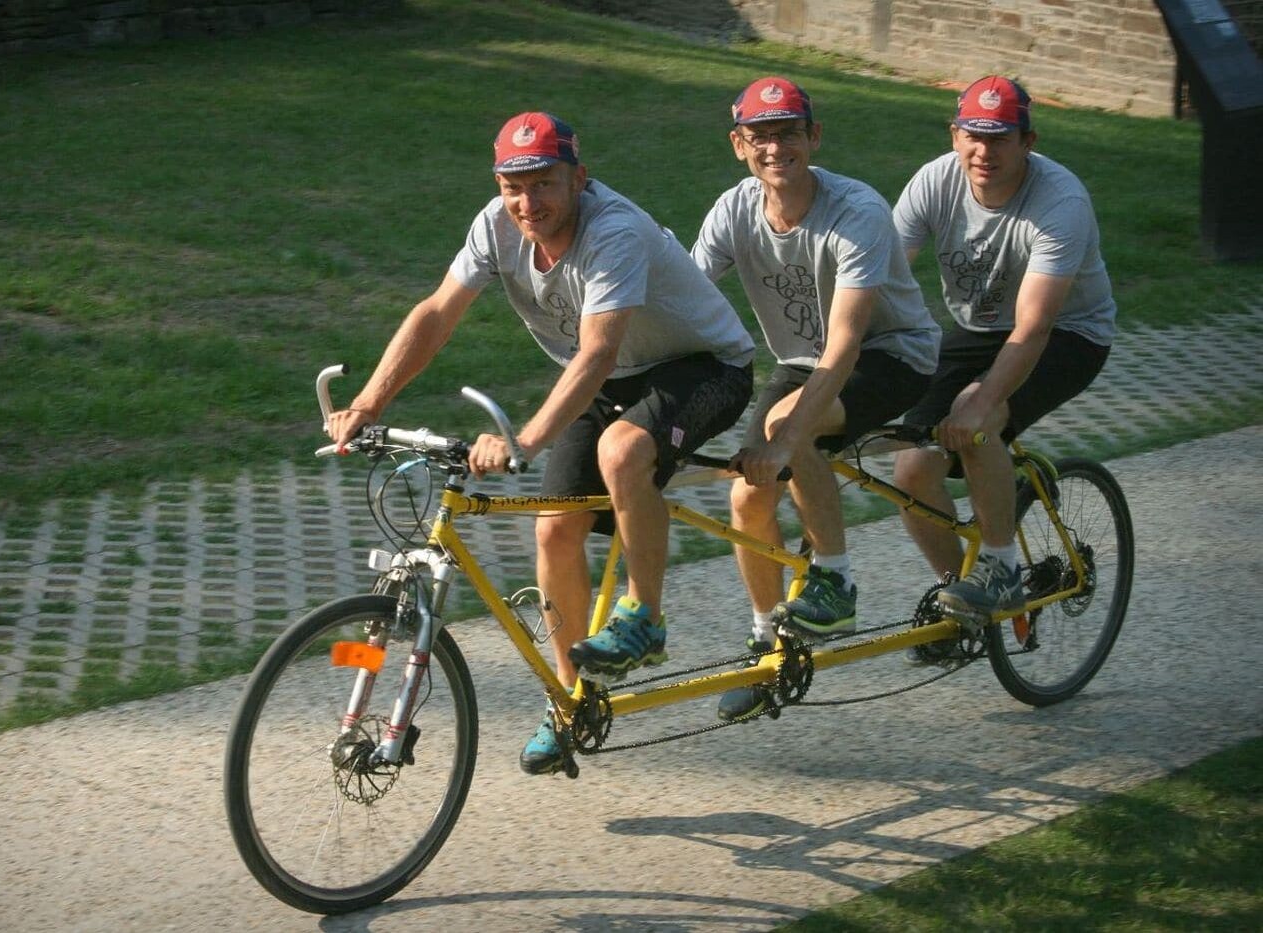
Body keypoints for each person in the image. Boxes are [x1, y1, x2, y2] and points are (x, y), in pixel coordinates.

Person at [328, 112, 755, 773]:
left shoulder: (612, 231)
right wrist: (369, 402)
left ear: (579, 179)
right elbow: (438, 312)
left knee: (621, 452)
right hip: (611, 380)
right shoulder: (496, 226)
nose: (529, 202)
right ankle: (570, 699)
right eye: (513, 186)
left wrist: (521, 439)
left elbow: (595, 352)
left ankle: (645, 618)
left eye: (545, 183)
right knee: (554, 530)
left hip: (704, 366)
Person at [690, 76, 941, 721]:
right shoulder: (733, 209)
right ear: (738, 145)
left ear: (814, 137)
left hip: (893, 354)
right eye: (760, 136)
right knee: (747, 492)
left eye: (789, 133)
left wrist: (784, 435)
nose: (775, 147)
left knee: (786, 429)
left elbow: (847, 344)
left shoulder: (856, 210)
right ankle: (767, 638)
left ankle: (835, 580)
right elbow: (688, 302)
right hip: (801, 363)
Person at [891, 75, 1116, 631]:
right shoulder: (934, 182)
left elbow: (1034, 328)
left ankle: (1000, 568)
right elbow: (879, 277)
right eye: (973, 135)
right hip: (978, 329)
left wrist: (981, 399)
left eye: (999, 138)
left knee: (979, 417)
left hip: (1068, 332)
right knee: (911, 469)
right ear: (954, 135)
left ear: (1028, 142)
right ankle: (962, 604)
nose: (983, 151)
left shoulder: (1060, 202)